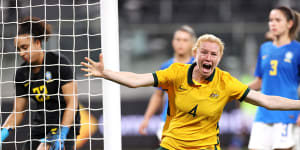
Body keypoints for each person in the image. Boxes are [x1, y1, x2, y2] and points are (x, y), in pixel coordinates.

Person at [81, 33, 300, 150]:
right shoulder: (175, 72)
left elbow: (266, 100)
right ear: (195, 53)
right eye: (204, 52)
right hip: (172, 145)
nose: (208, 58)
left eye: (214, 54)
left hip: (205, 147)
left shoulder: (226, 82)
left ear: (219, 58)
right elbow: (137, 80)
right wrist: (106, 73)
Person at [0, 17, 80, 150]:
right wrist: (2, 134)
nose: (21, 53)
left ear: (37, 43)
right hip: (40, 126)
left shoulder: (59, 63)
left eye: (25, 47)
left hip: (64, 124)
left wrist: (63, 132)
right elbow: (18, 111)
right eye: (18, 49)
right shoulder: (22, 74)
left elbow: (72, 102)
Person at [248, 6, 300, 150]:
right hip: (263, 113)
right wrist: (236, 90)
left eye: (278, 20)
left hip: (286, 113)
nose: (273, 24)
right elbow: (260, 81)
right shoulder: (265, 48)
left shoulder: (297, 50)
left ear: (289, 24)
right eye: (271, 20)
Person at [138, 25, 196, 140]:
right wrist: (146, 118)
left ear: (192, 44)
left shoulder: (199, 66)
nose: (181, 43)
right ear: (173, 42)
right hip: (168, 122)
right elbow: (158, 95)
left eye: (185, 40)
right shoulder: (166, 67)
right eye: (178, 39)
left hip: (193, 123)